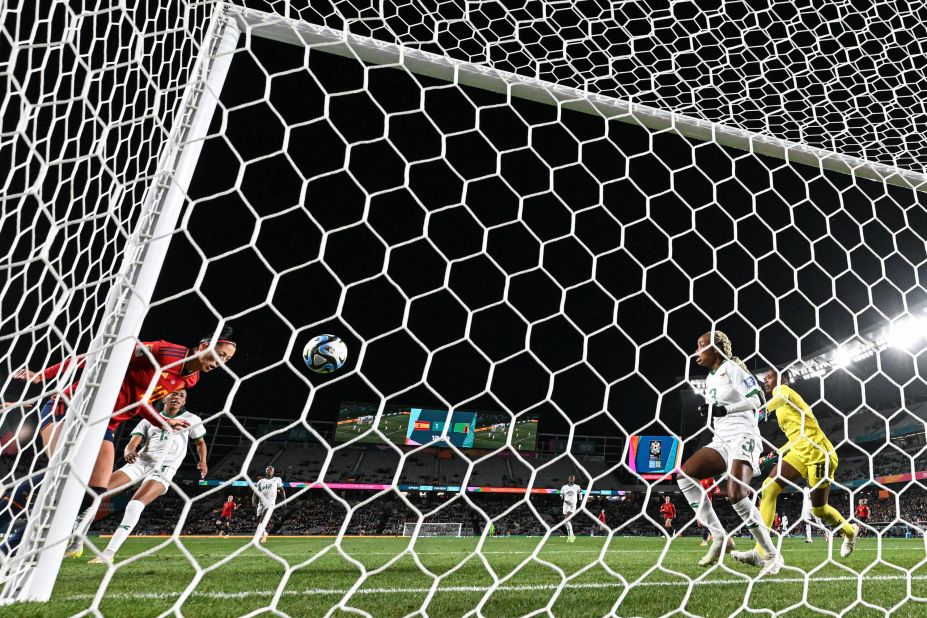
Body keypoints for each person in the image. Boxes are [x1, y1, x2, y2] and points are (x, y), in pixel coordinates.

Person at [15, 327, 236, 559]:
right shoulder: (165, 352)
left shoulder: (190, 379)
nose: (222, 363)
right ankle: (18, 532)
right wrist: (43, 375)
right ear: (203, 347)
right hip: (75, 407)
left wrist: (163, 422)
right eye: (220, 354)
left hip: (106, 424)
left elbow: (140, 402)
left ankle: (49, 535)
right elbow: (102, 355)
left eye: (227, 360)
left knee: (97, 490)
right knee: (62, 473)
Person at [676, 330, 780, 572]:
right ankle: (719, 535)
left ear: (716, 348)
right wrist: (712, 410)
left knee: (735, 494)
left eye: (702, 346)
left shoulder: (733, 369)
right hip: (721, 440)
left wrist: (725, 410)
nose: (697, 351)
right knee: (685, 476)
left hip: (744, 436)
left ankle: (773, 556)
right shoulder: (712, 378)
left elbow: (757, 401)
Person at [732, 368, 857, 568]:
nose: (766, 380)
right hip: (799, 451)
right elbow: (796, 437)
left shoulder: (783, 391)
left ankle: (850, 532)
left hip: (818, 453)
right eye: (765, 378)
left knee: (819, 510)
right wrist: (774, 454)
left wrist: (756, 414)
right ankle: (760, 551)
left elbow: (778, 400)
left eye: (770, 376)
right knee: (769, 488)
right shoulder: (782, 406)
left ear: (783, 379)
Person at [88, 388, 207, 563]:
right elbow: (132, 443)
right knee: (96, 493)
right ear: (164, 397)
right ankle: (76, 542)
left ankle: (108, 553)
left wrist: (202, 461)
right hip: (140, 463)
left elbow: (200, 442)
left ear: (184, 402)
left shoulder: (192, 419)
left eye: (181, 396)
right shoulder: (149, 419)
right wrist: (130, 451)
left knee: (134, 505)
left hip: (165, 468)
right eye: (174, 393)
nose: (177, 397)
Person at [253, 466, 285, 544]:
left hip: (270, 502)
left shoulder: (277, 479)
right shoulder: (261, 481)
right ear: (265, 471)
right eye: (268, 470)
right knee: (258, 519)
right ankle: (265, 533)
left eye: (271, 470)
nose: (269, 471)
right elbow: (255, 492)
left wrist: (284, 501)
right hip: (261, 503)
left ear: (273, 472)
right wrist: (253, 501)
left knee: (263, 518)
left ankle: (256, 537)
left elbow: (282, 491)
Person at [559, 476, 580, 543]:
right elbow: (561, 493)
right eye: (570, 478)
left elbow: (580, 492)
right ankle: (571, 536)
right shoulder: (564, 487)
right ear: (568, 479)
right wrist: (561, 496)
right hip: (565, 505)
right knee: (567, 522)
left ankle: (571, 536)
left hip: (572, 504)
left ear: (574, 479)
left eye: (572, 478)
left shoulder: (577, 486)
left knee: (566, 520)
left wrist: (580, 500)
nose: (571, 479)